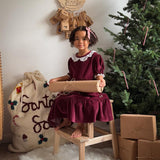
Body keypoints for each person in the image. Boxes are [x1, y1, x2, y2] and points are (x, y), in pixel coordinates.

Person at [48, 26, 113, 138]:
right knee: (60, 99)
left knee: (76, 101)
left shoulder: (95, 57)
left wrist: (101, 81)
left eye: (84, 39)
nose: (80, 42)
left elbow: (99, 75)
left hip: (90, 92)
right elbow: (70, 75)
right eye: (77, 39)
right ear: (73, 41)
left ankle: (80, 127)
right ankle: (67, 120)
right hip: (77, 90)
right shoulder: (72, 59)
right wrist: (57, 79)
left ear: (90, 40)